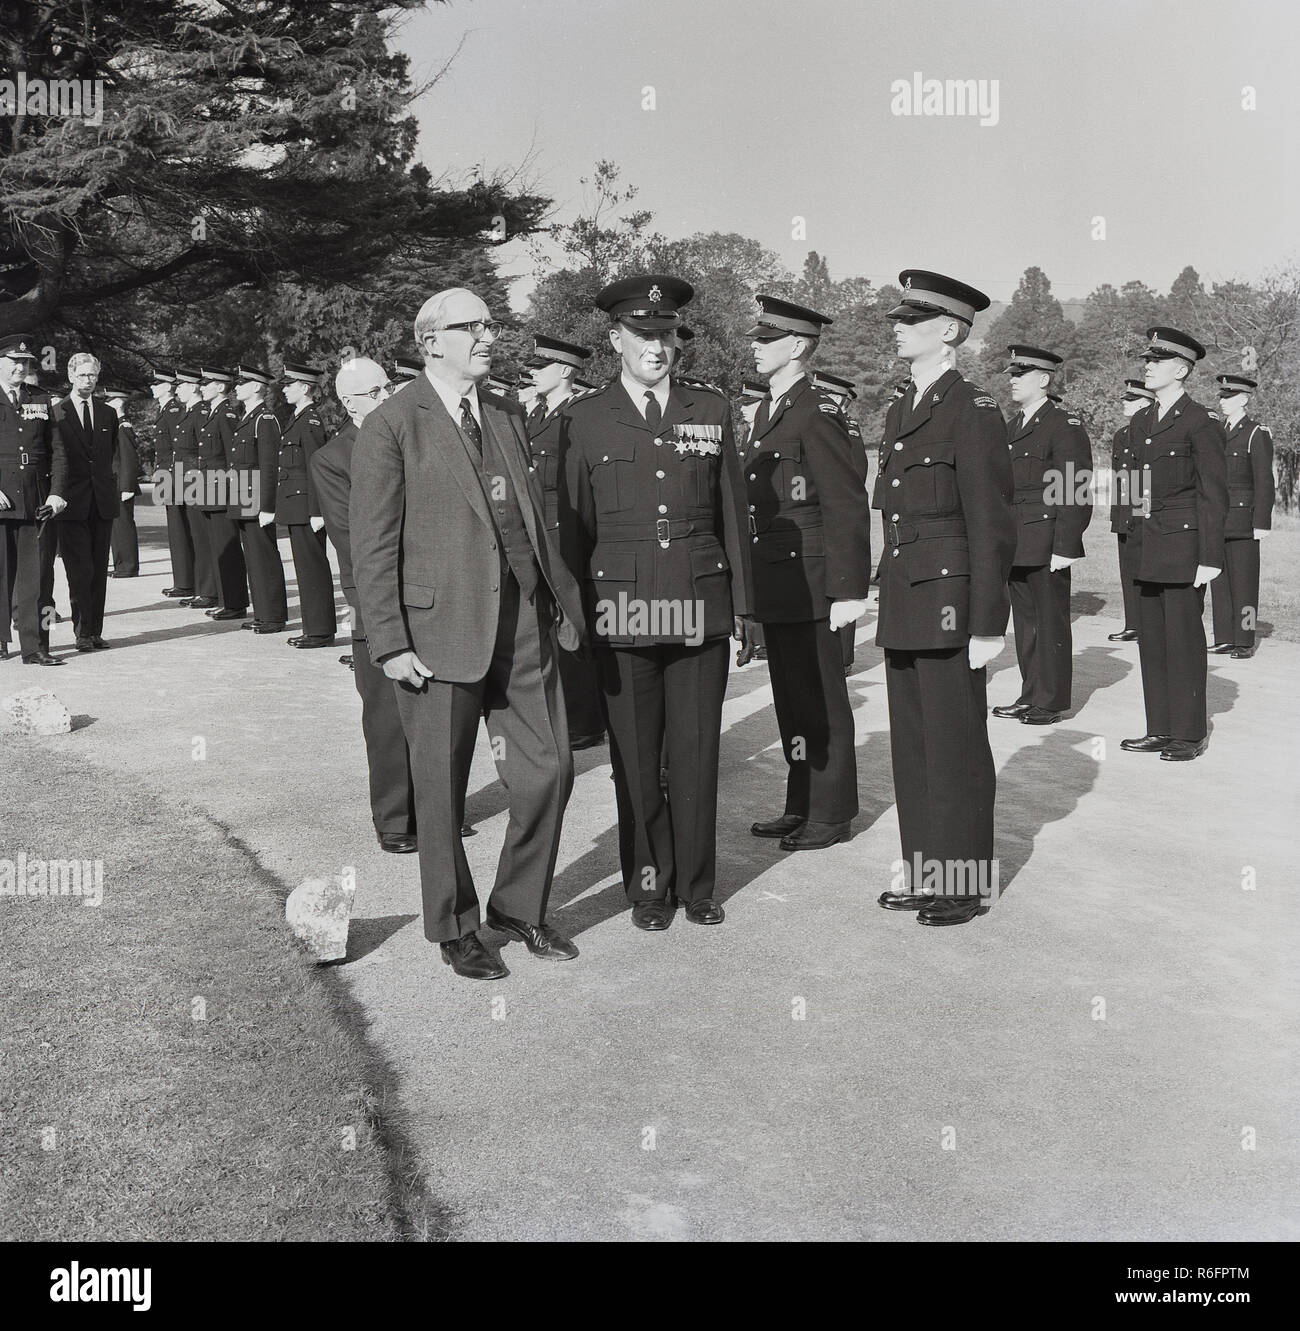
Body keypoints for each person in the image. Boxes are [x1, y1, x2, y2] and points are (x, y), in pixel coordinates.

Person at [351, 287, 585, 980]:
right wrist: (390, 641)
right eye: (471, 326)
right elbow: (371, 547)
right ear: (431, 341)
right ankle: (455, 925)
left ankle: (517, 905)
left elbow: (530, 524)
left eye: (489, 323)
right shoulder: (393, 424)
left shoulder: (507, 416)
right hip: (435, 633)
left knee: (550, 770)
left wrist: (557, 603)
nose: (488, 335)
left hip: (522, 627)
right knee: (441, 789)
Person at [561, 273, 751, 929]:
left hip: (699, 603)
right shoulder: (583, 419)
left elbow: (733, 513)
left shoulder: (711, 410)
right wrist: (577, 621)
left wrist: (745, 609)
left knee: (696, 754)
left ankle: (698, 885)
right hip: (625, 611)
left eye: (665, 333)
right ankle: (649, 884)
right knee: (638, 762)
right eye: (642, 332)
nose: (656, 345)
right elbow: (574, 529)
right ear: (615, 338)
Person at [873, 270, 1016, 927]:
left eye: (913, 317)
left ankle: (960, 880)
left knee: (955, 744)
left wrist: (988, 622)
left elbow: (991, 521)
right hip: (906, 601)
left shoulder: (973, 409)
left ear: (950, 330)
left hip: (953, 604)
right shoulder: (903, 406)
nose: (897, 325)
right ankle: (924, 866)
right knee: (914, 747)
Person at [743, 294, 872, 852]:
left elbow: (844, 502)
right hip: (779, 579)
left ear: (796, 347)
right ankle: (801, 803)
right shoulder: (773, 410)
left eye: (766, 339)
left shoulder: (817, 412)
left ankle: (832, 810)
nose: (754, 346)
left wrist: (848, 589)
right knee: (792, 697)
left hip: (814, 579)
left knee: (820, 697)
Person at [311, 358, 417, 854]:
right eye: (374, 391)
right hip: (377, 598)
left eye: (388, 387)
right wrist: (372, 615)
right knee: (386, 715)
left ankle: (438, 810)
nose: (386, 395)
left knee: (435, 715)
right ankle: (396, 819)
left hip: (431, 592)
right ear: (350, 402)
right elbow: (351, 542)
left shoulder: (415, 434)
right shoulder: (334, 458)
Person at [1121, 327, 1228, 762]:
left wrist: (1210, 558)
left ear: (1181, 369)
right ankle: (1159, 727)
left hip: (1183, 548)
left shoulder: (1200, 422)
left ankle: (1188, 732)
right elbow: (1138, 487)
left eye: (1157, 360)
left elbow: (1213, 493)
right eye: (1148, 359)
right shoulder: (1143, 420)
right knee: (1153, 642)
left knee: (1182, 642)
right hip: (1147, 545)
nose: (1147, 366)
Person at [991, 346, 1093, 725]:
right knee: (1026, 624)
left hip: (1048, 541)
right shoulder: (1013, 425)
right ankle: (1030, 693)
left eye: (1021, 373)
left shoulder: (1063, 425)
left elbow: (1074, 488)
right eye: (1012, 373)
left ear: (1044, 379)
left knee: (1049, 623)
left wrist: (1066, 545)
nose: (1013, 380)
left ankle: (1049, 701)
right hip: (1017, 540)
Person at [523, 333, 606, 750]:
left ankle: (586, 721)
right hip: (544, 530)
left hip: (571, 534)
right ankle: (563, 712)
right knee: (551, 624)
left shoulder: (580, 414)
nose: (532, 374)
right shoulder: (536, 414)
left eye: (540, 368)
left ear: (566, 371)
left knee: (574, 620)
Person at [0, 334, 68, 665]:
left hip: (35, 497)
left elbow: (57, 451)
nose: (20, 368)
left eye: (25, 363)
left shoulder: (40, 398)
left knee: (34, 576)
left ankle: (33, 646)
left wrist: (57, 492)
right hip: (0, 497)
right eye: (14, 362)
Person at [51, 353, 120, 651]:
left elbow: (110, 455)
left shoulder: (108, 413)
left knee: (98, 570)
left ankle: (94, 630)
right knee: (79, 570)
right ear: (70, 376)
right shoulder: (58, 413)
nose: (88, 381)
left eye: (92, 376)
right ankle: (81, 631)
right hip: (72, 503)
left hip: (101, 501)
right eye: (82, 375)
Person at [1209, 373, 1274, 660]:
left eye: (1229, 397)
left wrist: (1261, 522)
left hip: (1244, 522)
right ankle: (1224, 638)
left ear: (1244, 399)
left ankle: (1244, 640)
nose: (1223, 402)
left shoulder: (1255, 433)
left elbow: (1264, 480)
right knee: (1219, 582)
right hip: (1218, 520)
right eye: (1222, 397)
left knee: (1245, 585)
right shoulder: (1217, 430)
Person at [277, 361, 336, 648]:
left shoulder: (310, 420)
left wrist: (316, 510)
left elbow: (316, 466)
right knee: (304, 568)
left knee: (312, 567)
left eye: (289, 385)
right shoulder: (298, 417)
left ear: (304, 387)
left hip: (306, 506)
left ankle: (320, 630)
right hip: (296, 504)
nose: (285, 390)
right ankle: (314, 627)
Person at [229, 365, 289, 634]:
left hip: (255, 496)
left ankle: (274, 615)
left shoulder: (264, 419)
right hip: (243, 493)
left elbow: (269, 465)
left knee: (264, 555)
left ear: (256, 387)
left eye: (242, 383)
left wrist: (268, 505)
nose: (236, 388)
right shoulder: (248, 417)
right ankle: (263, 613)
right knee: (252, 557)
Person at [193, 367, 248, 620]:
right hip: (209, 487)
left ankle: (235, 603)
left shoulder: (225, 414)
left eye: (207, 383)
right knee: (217, 547)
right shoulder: (212, 413)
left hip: (221, 489)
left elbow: (232, 455)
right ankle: (224, 599)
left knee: (228, 547)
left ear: (221, 387)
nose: (202, 387)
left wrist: (232, 492)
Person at [1107, 378, 1154, 642]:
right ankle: (1133, 623)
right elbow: (1119, 478)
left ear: (1146, 403)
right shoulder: (1122, 435)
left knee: (1146, 569)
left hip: (1144, 509)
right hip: (1125, 509)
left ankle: (1148, 624)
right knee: (1128, 571)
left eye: (1132, 400)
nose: (1125, 404)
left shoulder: (1152, 433)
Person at [172, 368, 220, 609]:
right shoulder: (188, 411)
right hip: (186, 479)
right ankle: (201, 587)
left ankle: (209, 590)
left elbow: (205, 449)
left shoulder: (201, 411)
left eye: (180, 385)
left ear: (191, 387)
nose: (176, 389)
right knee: (194, 535)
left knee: (202, 537)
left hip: (196, 479)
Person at [150, 368, 195, 598]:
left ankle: (186, 581)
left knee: (180, 527)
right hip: (167, 474)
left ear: (167, 387)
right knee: (175, 527)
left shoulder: (175, 410)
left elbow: (181, 446)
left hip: (175, 475)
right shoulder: (165, 410)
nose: (152, 387)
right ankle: (183, 579)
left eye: (157, 384)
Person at [103, 388, 140, 578]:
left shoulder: (123, 426)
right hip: (114, 482)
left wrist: (128, 486)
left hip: (121, 483)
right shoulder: (115, 425)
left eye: (108, 401)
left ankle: (128, 566)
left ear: (117, 403)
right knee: (116, 526)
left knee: (123, 524)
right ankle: (121, 564)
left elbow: (129, 458)